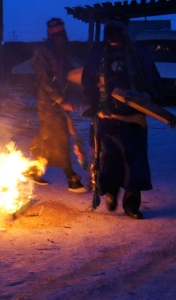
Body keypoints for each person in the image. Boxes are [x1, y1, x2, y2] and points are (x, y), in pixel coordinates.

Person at [81, 12, 161, 219]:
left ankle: (131, 204)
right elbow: (87, 82)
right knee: (108, 160)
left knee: (133, 161)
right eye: (110, 34)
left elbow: (153, 79)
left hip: (133, 118)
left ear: (124, 33)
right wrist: (93, 104)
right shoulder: (96, 55)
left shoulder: (138, 55)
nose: (113, 38)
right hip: (106, 118)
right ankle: (110, 193)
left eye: (117, 33)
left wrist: (146, 94)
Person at [28, 18, 87, 194]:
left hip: (60, 102)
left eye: (61, 33)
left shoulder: (63, 53)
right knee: (60, 138)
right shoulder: (43, 51)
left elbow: (68, 75)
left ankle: (32, 170)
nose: (59, 37)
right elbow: (44, 80)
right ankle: (71, 177)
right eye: (55, 33)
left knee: (46, 137)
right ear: (50, 34)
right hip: (48, 103)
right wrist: (60, 99)